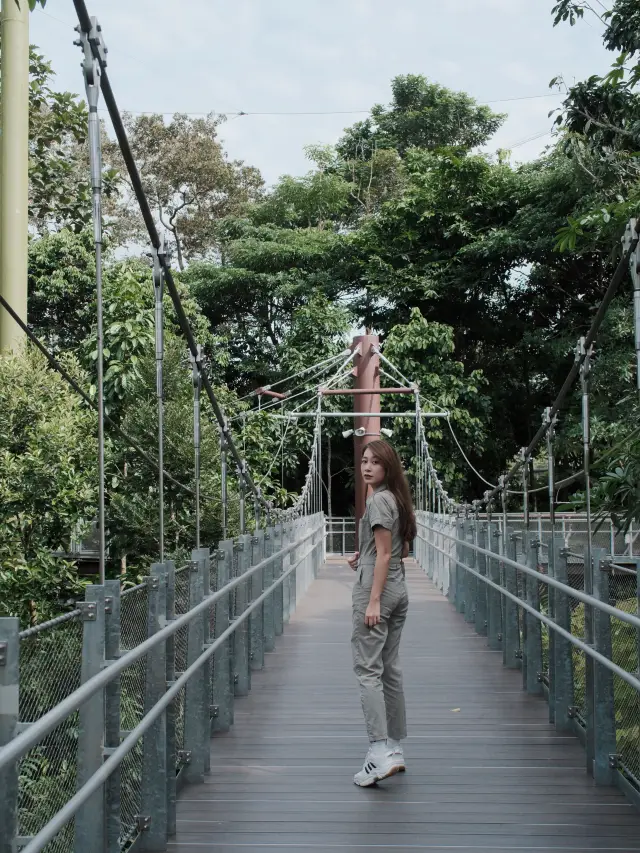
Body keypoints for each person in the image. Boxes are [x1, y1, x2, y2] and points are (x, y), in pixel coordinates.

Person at [348, 439, 416, 787]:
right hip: (399, 591)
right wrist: (363, 556)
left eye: (375, 461)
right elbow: (396, 548)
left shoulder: (377, 501)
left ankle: (377, 753)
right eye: (364, 460)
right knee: (390, 668)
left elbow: (387, 554)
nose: (367, 466)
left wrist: (372, 600)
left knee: (367, 670)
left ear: (388, 466)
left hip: (378, 593)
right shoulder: (397, 500)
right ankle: (395, 747)